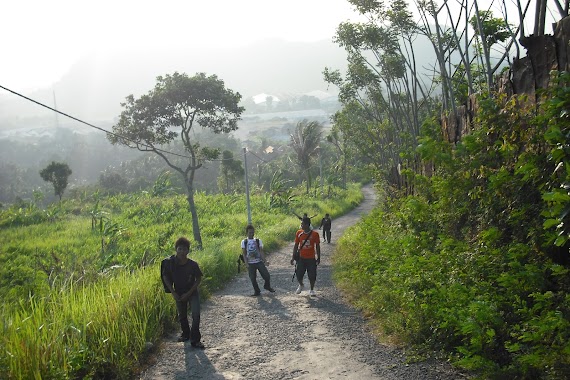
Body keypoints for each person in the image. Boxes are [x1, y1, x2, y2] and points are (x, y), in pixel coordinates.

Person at [161, 237, 204, 348]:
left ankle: (195, 339)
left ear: (188, 251)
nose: (182, 252)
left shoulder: (193, 265)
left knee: (196, 314)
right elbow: (165, 276)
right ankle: (186, 334)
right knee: (182, 316)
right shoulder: (170, 263)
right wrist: (173, 292)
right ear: (176, 249)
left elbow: (198, 278)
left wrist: (189, 293)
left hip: (192, 292)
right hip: (178, 293)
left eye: (184, 249)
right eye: (179, 249)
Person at [290, 217, 321, 296]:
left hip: (311, 258)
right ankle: (301, 285)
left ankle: (311, 289)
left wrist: (318, 257)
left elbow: (317, 246)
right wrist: (293, 257)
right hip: (301, 258)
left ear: (307, 225)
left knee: (312, 275)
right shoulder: (299, 233)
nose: (301, 225)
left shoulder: (315, 234)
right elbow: (296, 245)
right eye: (301, 224)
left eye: (303, 224)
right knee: (299, 274)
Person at [241, 224, 275, 296]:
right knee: (253, 278)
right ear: (246, 233)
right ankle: (257, 291)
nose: (251, 234)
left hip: (259, 261)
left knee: (266, 275)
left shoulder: (258, 241)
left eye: (252, 232)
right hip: (250, 263)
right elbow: (244, 253)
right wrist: (246, 263)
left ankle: (267, 286)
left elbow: (261, 251)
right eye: (250, 232)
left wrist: (265, 261)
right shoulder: (244, 242)